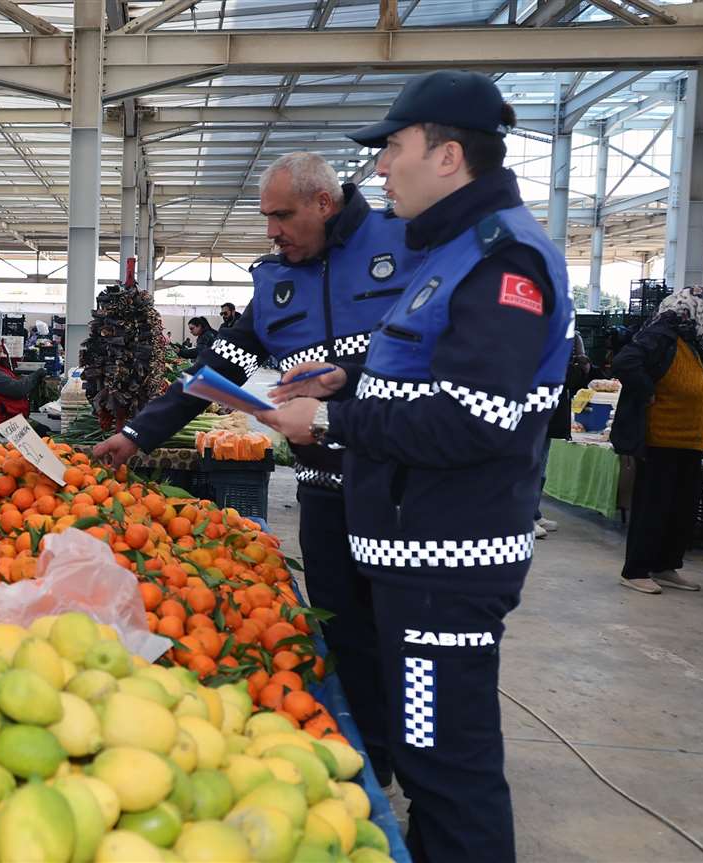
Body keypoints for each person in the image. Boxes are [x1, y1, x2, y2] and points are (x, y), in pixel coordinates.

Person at [258, 72, 572, 863]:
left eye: (393, 148)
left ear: (448, 156)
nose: (380, 167)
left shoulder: (502, 262)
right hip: (415, 562)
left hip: (444, 570)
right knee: (428, 755)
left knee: (445, 765)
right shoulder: (453, 251)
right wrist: (353, 379)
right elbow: (434, 373)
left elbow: (476, 417)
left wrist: (327, 419)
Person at [95, 151, 422, 786]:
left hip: (403, 487)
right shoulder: (275, 285)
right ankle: (375, 765)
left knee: (410, 636)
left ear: (323, 203)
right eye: (266, 217)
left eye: (282, 216)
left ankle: (426, 770)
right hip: (325, 491)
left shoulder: (404, 242)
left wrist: (343, 391)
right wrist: (136, 435)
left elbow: (435, 356)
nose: (271, 231)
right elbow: (214, 374)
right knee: (346, 633)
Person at [611, 286, 703, 594]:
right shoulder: (662, 334)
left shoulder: (694, 342)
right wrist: (648, 391)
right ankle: (636, 570)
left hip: (690, 442)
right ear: (693, 309)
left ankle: (666, 566)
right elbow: (625, 362)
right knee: (653, 508)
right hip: (662, 439)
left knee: (680, 511)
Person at [533, 333, 591, 537]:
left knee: (540, 468)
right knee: (529, 467)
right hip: (531, 408)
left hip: (552, 409)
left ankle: (533, 513)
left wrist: (580, 359)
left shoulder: (568, 336)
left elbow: (578, 375)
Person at [0, 329, 48, 433]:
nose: (1, 350)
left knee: (44, 430)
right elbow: (18, 389)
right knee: (45, 432)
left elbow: (11, 384)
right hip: (2, 424)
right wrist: (36, 375)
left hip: (5, 419)